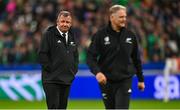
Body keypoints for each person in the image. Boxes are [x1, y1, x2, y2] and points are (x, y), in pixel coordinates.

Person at [87, 5, 145, 109]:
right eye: (121, 17)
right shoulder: (100, 35)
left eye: (125, 17)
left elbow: (136, 59)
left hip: (125, 80)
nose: (124, 19)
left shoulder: (131, 36)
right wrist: (97, 73)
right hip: (106, 81)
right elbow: (90, 57)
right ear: (112, 17)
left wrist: (141, 79)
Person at [38, 11, 78, 109]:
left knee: (62, 108)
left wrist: (73, 70)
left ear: (71, 23)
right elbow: (42, 55)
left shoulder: (72, 36)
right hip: (52, 80)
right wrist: (52, 70)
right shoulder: (48, 35)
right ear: (57, 22)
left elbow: (75, 56)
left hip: (66, 79)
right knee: (54, 107)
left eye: (67, 22)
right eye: (62, 21)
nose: (65, 24)